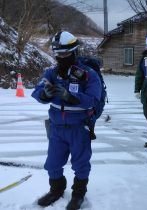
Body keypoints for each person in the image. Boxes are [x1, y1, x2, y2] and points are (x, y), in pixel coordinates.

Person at [32, 31, 102, 210]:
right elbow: (36, 92)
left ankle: (78, 195)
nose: (61, 57)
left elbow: (93, 99)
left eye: (64, 53)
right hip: (56, 128)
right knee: (52, 163)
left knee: (80, 164)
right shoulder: (51, 73)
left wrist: (71, 97)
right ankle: (56, 191)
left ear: (74, 51)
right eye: (58, 53)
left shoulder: (88, 74)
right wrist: (44, 94)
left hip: (79, 128)